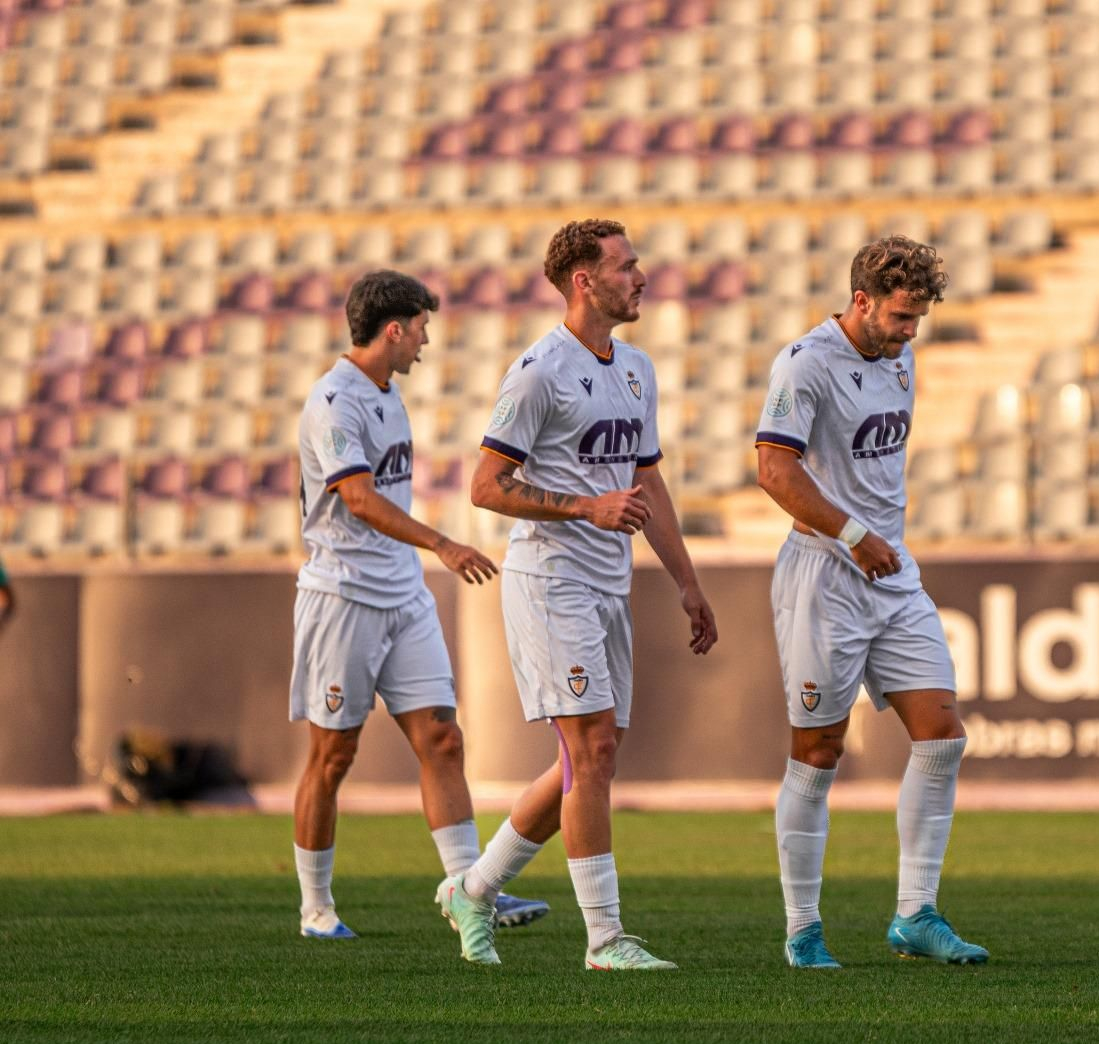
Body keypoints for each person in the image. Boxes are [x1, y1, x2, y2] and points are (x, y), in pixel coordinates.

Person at [440, 219, 717, 970]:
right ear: (584, 281)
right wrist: (584, 507)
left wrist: (688, 583)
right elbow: (485, 488)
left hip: (609, 583)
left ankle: (475, 887)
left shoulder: (635, 369)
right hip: (551, 582)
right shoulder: (538, 372)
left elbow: (646, 480)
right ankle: (605, 940)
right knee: (589, 750)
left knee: (587, 760)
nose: (643, 276)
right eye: (627, 266)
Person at [753, 235, 987, 969]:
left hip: (890, 571)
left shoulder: (900, 358)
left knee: (944, 734)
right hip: (825, 575)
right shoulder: (805, 364)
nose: (909, 332)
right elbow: (772, 468)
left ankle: (915, 913)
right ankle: (802, 929)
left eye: (917, 318)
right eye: (899, 316)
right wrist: (854, 534)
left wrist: (875, 541)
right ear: (861, 301)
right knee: (819, 753)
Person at [291, 270, 546, 939]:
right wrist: (443, 543)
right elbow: (358, 498)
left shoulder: (386, 394)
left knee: (443, 739)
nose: (427, 341)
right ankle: (316, 908)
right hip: (343, 597)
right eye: (422, 326)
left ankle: (470, 891)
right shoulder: (334, 401)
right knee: (332, 757)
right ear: (395, 328)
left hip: (402, 594)